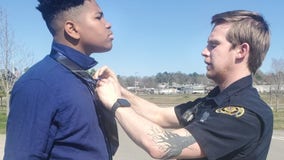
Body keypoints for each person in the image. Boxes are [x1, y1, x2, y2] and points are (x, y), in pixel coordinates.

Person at [94, 10, 273, 160]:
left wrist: (116, 103)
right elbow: (159, 115)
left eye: (213, 45)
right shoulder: (214, 100)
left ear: (241, 51)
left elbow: (163, 145)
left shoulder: (246, 113)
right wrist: (119, 89)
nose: (204, 52)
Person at [4, 0, 116, 159]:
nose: (108, 24)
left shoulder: (81, 78)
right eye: (99, 17)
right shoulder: (39, 84)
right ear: (72, 29)